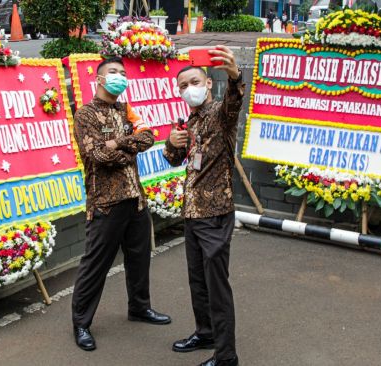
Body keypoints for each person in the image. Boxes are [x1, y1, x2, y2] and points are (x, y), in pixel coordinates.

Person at [71, 57, 171, 352]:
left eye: (122, 73)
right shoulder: (86, 115)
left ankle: (139, 307)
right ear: (99, 79)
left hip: (135, 197)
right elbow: (97, 157)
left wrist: (117, 144)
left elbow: (149, 137)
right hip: (106, 201)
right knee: (96, 264)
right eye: (113, 73)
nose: (119, 77)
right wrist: (126, 147)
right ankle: (80, 323)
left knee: (139, 257)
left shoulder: (126, 110)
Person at [164, 46, 244, 366]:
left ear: (208, 84)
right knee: (197, 280)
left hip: (215, 213)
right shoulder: (190, 121)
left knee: (217, 286)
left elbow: (234, 102)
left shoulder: (220, 114)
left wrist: (235, 77)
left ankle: (226, 357)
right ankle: (205, 332)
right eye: (183, 86)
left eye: (194, 82)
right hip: (193, 213)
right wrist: (172, 143)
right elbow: (175, 161)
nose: (189, 89)